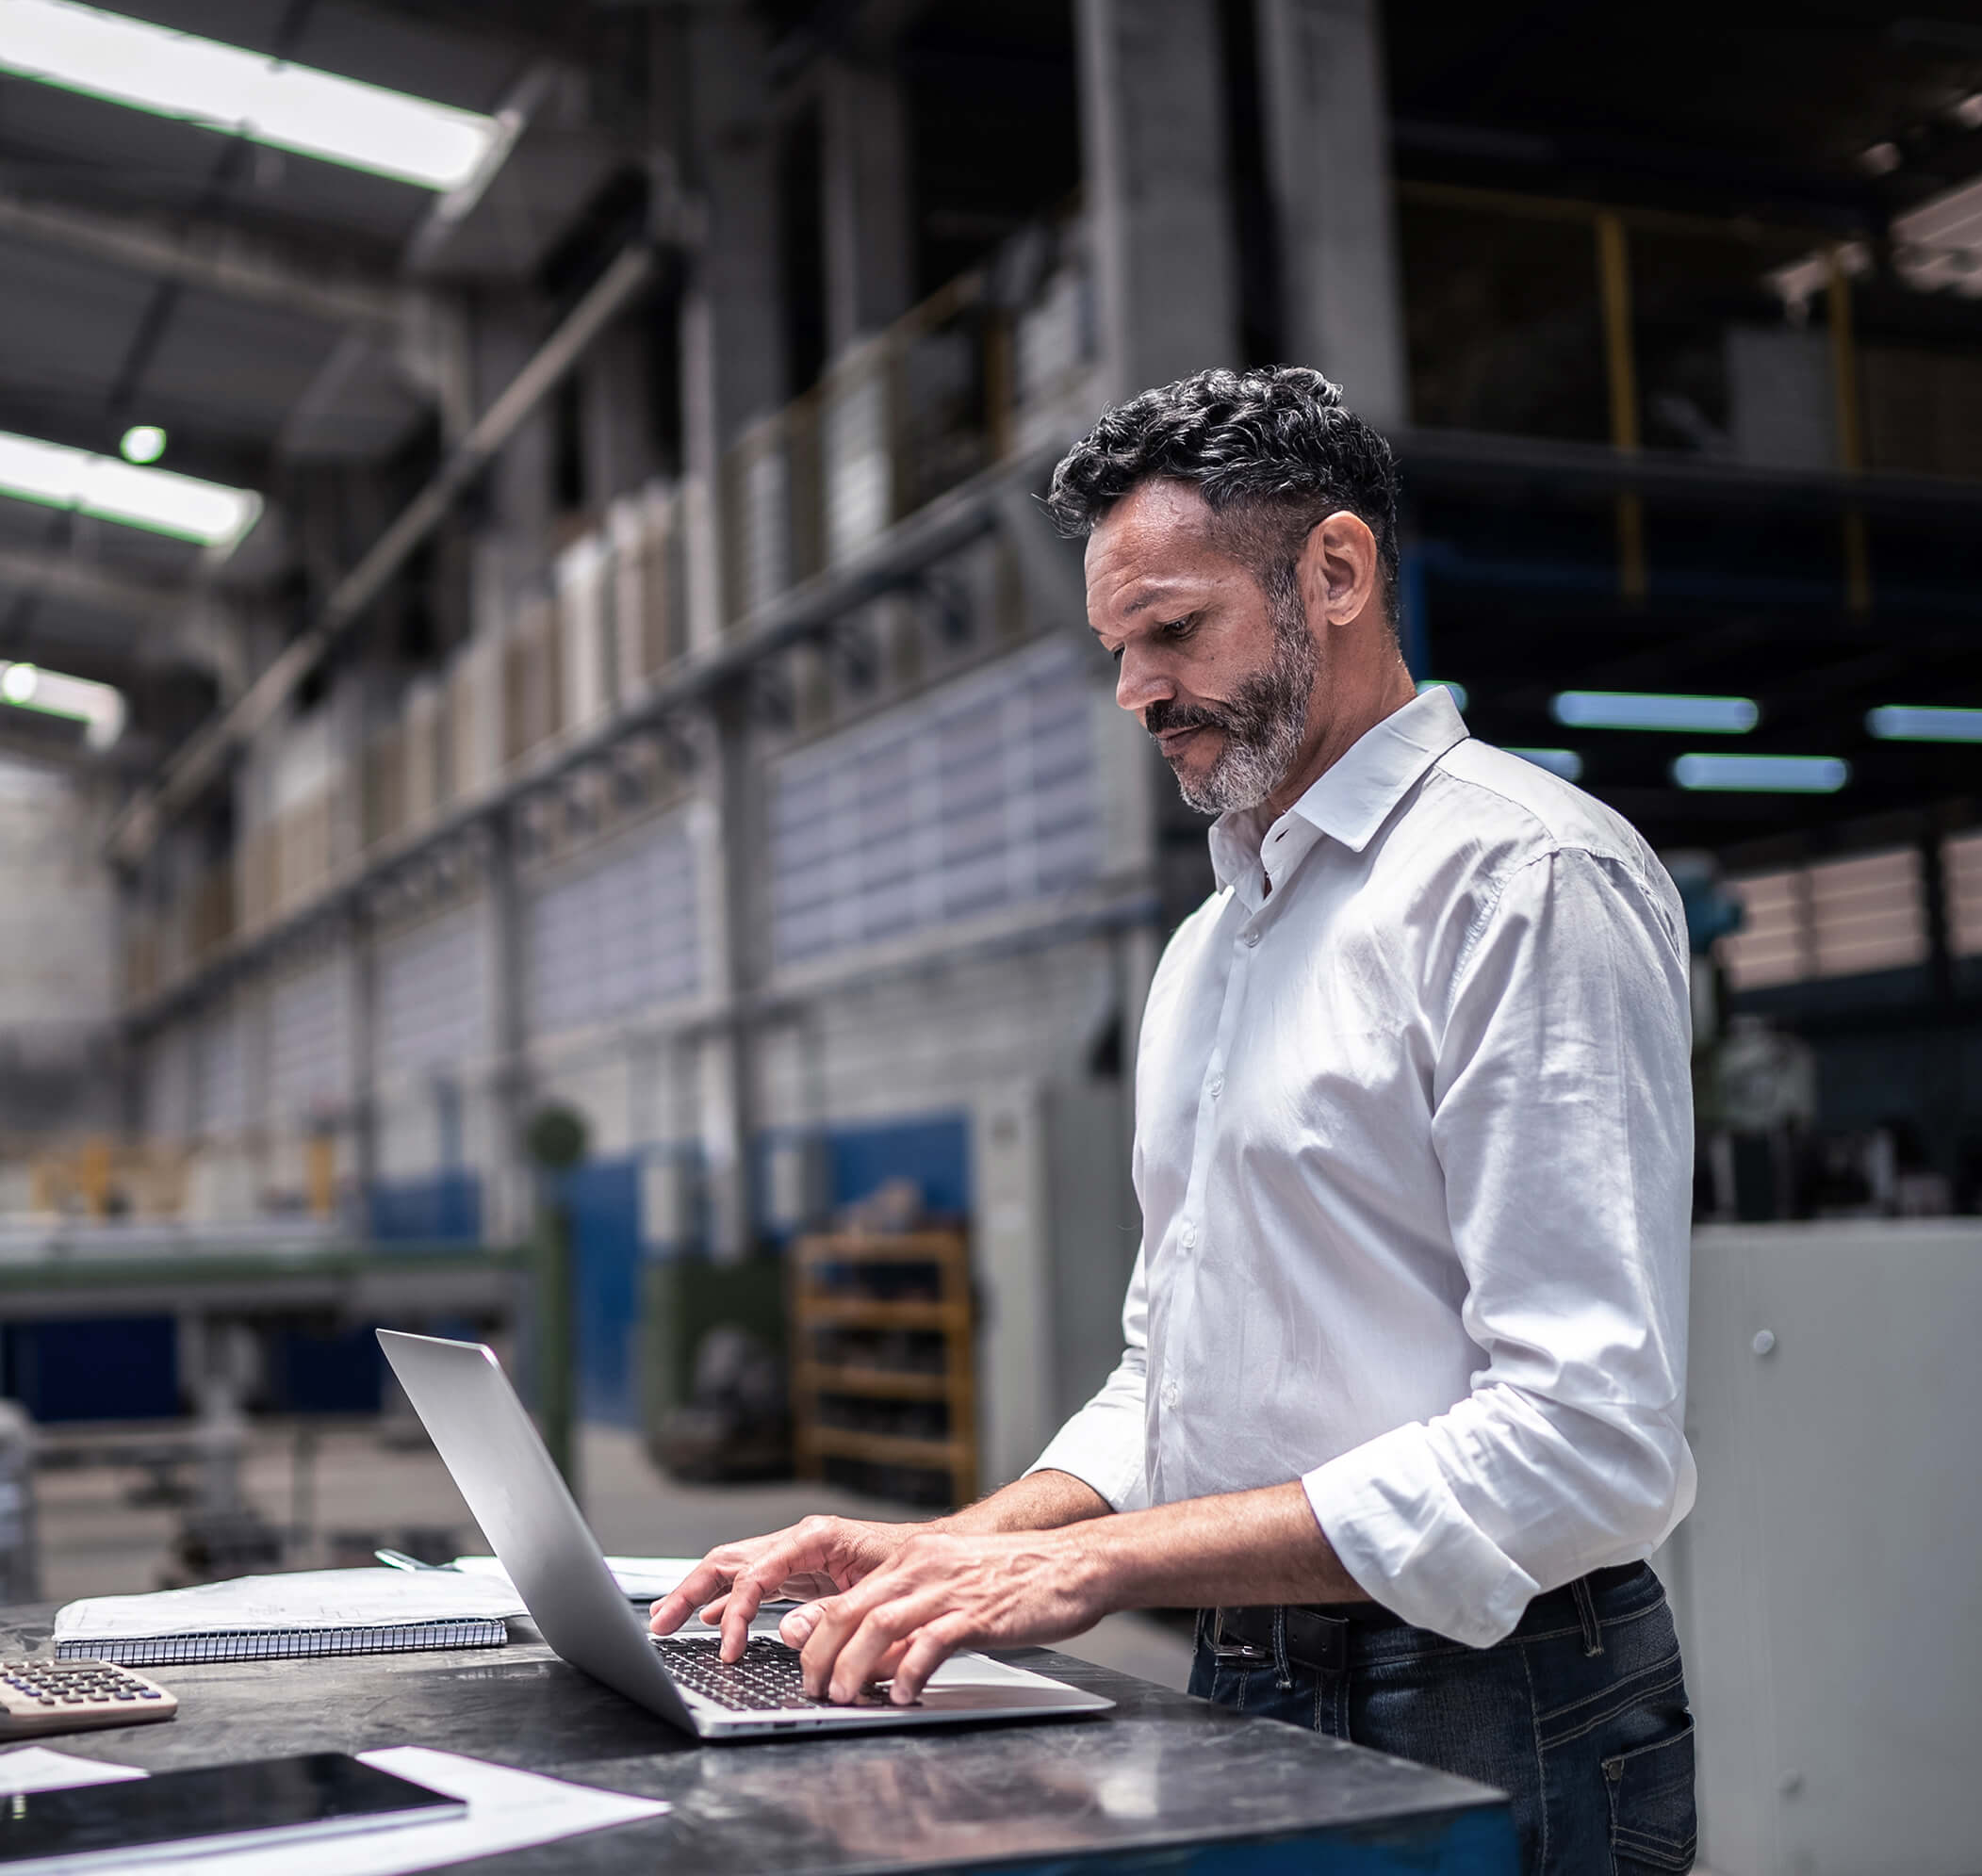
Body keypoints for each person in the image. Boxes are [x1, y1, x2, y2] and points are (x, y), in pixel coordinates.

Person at [651, 366, 1696, 1876]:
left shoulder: (1521, 881)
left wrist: (1088, 1571)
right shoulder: (1219, 944)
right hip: (1246, 1667)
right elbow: (1176, 1374)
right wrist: (972, 1544)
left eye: (1174, 631)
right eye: (1118, 648)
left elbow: (1586, 1439)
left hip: (1495, 1694)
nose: (1136, 691)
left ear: (1334, 573)